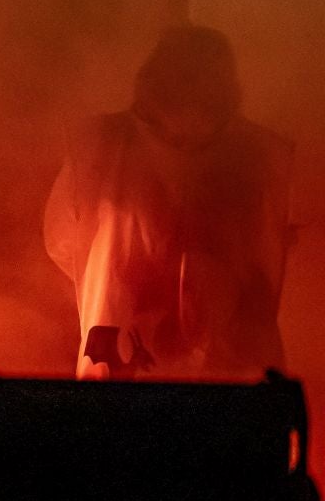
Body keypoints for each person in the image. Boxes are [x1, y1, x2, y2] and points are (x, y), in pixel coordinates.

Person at [44, 25, 292, 380]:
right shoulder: (98, 145)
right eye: (184, 76)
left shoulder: (263, 155)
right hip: (139, 365)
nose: (191, 88)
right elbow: (66, 243)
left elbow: (62, 241)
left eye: (200, 77)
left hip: (221, 374)